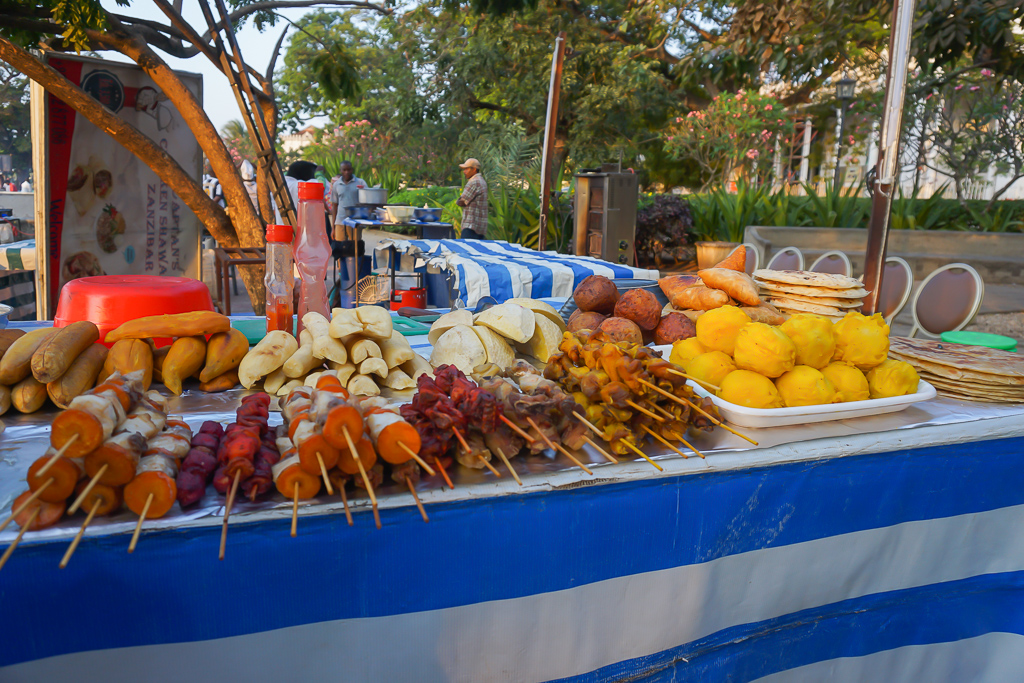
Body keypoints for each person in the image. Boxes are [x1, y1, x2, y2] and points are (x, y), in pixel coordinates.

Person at [330, 160, 366, 240]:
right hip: (340, 221)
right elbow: (334, 206)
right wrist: (333, 227)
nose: (346, 172)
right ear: (341, 170)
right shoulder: (336, 185)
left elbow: (366, 202)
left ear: (352, 170)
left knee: (355, 246)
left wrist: (363, 221)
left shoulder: (360, 183)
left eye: (348, 169)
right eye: (344, 170)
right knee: (340, 246)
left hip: (355, 221)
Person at [456, 158, 488, 239]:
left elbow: (462, 202)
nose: (464, 171)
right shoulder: (482, 181)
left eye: (466, 169)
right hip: (479, 227)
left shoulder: (474, 182)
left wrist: (458, 201)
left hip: (471, 226)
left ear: (474, 169)